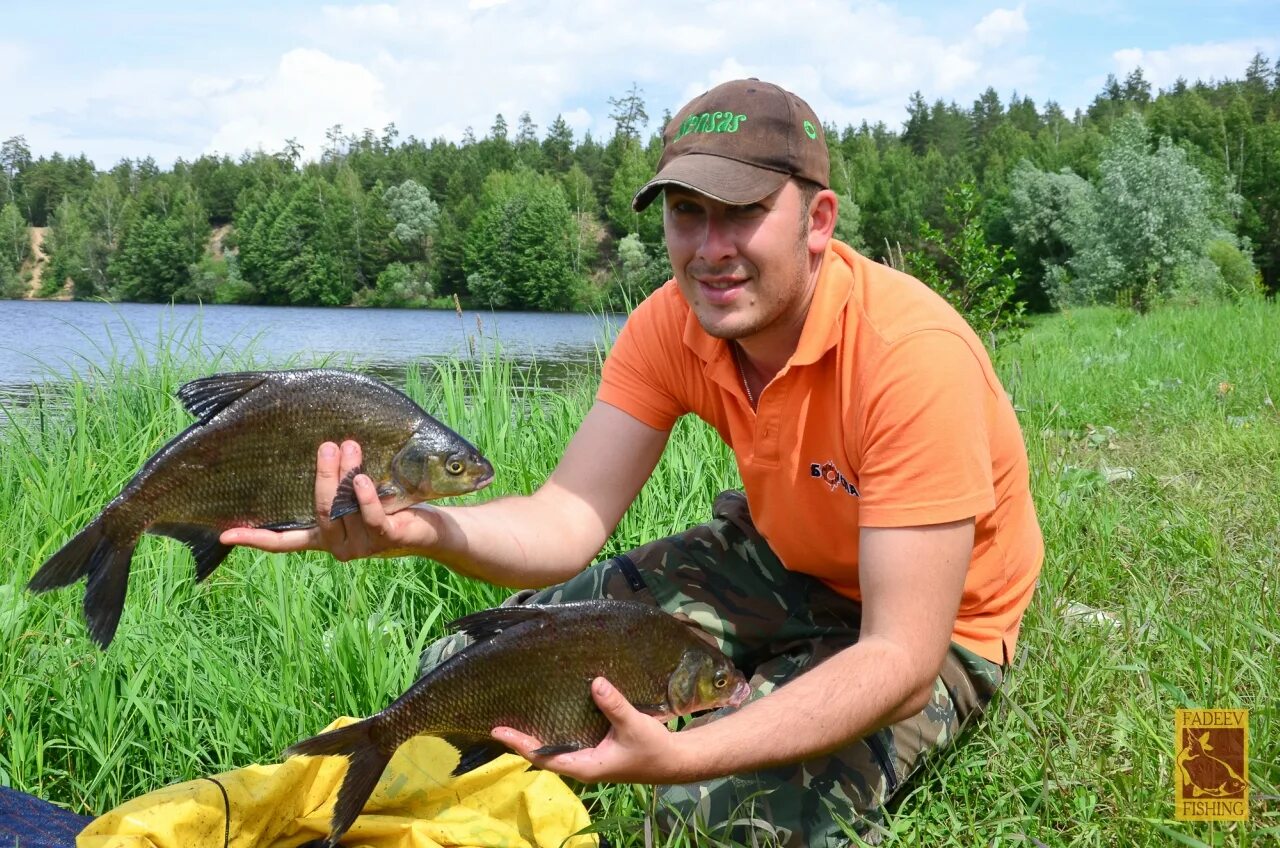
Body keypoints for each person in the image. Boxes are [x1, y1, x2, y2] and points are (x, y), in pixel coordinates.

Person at [224, 78, 1043, 846]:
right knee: (457, 669)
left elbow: (898, 660)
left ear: (818, 219)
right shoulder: (672, 322)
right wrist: (422, 527)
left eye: (744, 211)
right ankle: (764, 675)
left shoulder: (910, 358)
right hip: (780, 558)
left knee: (700, 818)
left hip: (936, 628)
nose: (712, 249)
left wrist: (681, 758)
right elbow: (565, 517)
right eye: (688, 213)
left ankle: (759, 699)